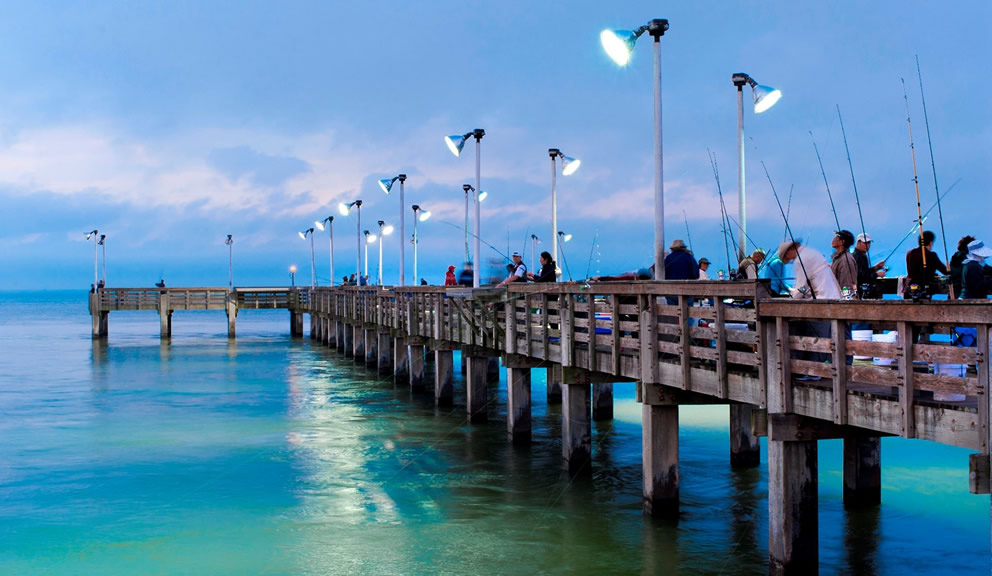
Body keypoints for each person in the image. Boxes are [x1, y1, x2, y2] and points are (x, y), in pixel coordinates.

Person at [904, 230, 947, 299]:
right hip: (924, 291)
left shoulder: (910, 254)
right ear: (930, 242)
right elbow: (945, 271)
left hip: (910, 290)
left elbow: (916, 271)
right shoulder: (931, 255)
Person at [853, 233, 886, 299]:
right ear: (858, 243)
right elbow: (860, 276)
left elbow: (865, 272)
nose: (867, 245)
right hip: (860, 291)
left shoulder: (862, 256)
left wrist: (876, 267)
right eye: (865, 243)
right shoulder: (857, 256)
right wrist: (877, 274)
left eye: (869, 243)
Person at [830, 230, 858, 296]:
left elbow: (847, 285)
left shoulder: (845, 260)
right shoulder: (838, 258)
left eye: (837, 237)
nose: (833, 239)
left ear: (842, 242)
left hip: (843, 302)